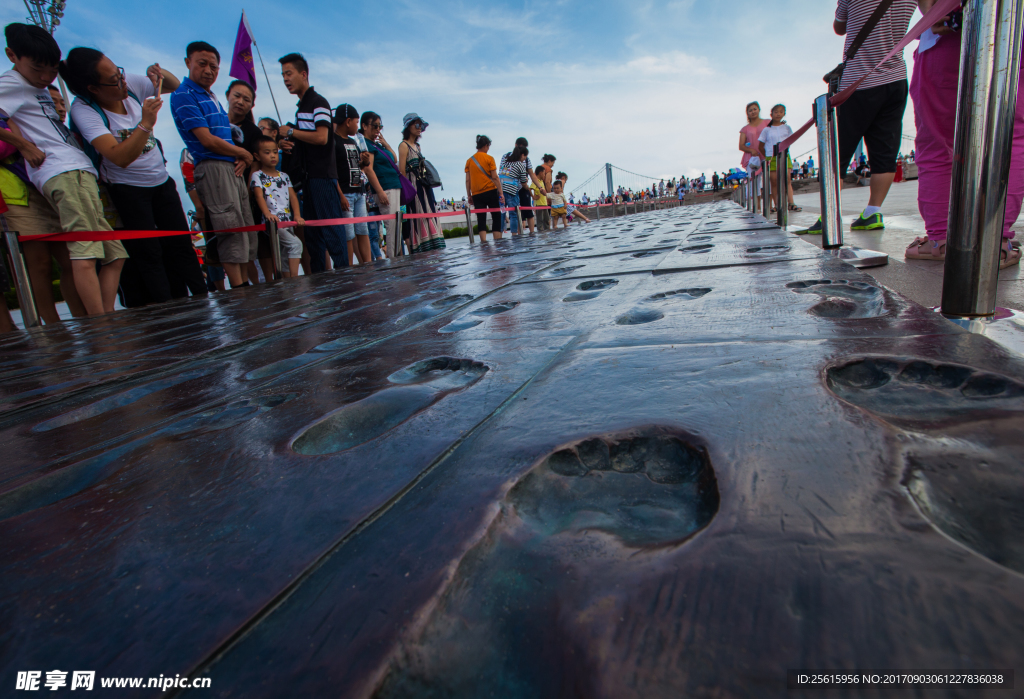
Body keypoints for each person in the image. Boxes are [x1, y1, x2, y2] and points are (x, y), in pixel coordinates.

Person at [62, 48, 206, 308]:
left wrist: (159, 73)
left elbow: (172, 85)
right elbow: (119, 157)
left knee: (181, 246)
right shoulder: (85, 110)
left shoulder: (130, 86)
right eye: (114, 80)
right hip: (128, 190)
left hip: (161, 182)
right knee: (149, 253)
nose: (122, 82)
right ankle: (168, 312)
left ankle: (201, 301)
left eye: (120, 72)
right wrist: (145, 123)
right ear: (93, 88)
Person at [0, 23, 127, 316]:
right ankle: (101, 325)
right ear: (12, 56)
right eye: (37, 69)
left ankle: (104, 315)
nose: (45, 77)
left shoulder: (36, 87)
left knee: (114, 253)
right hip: (62, 172)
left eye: (52, 70)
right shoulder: (12, 82)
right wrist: (23, 145)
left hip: (78, 172)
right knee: (84, 253)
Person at [905, 0, 1021, 267]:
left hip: (951, 27)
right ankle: (997, 241)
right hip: (1014, 28)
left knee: (936, 140)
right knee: (1011, 135)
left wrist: (932, 8)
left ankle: (942, 239)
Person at [803, 0, 917, 235]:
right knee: (884, 149)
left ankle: (829, 216)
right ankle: (872, 212)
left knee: (838, 154)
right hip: (895, 78)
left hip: (858, 81)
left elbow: (839, 27)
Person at [170, 40, 255, 289]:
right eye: (202, 64)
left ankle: (245, 283)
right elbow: (207, 140)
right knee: (229, 228)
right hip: (213, 167)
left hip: (231, 167)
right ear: (188, 63)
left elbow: (224, 136)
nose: (209, 70)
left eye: (214, 67)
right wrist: (243, 153)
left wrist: (239, 156)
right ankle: (239, 289)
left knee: (243, 227)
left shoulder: (210, 96)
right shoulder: (184, 95)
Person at [0, 108, 85, 323]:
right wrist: (22, 140)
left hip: (48, 186)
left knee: (71, 260)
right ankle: (52, 331)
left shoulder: (15, 106)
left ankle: (85, 322)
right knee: (40, 265)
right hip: (17, 195)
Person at [276, 53, 347, 272]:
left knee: (332, 233)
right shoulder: (302, 108)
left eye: (289, 73)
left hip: (322, 177)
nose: (286, 79)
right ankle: (321, 285)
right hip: (307, 179)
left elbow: (322, 137)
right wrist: (289, 143)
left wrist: (290, 131)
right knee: (313, 236)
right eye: (283, 75)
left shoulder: (318, 102)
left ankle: (346, 280)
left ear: (303, 74)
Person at [250, 135, 304, 277]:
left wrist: (297, 215)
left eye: (275, 152)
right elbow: (258, 196)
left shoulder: (284, 176)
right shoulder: (257, 176)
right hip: (274, 222)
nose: (272, 156)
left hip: (288, 220)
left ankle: (287, 285)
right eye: (267, 153)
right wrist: (267, 214)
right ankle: (294, 279)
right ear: (257, 156)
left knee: (285, 253)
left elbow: (293, 196)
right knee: (295, 244)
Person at [397, 113, 445, 253]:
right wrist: (408, 191)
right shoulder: (403, 146)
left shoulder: (417, 146)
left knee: (429, 212)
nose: (419, 128)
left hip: (424, 187)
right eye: (416, 125)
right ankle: (422, 247)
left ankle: (434, 245)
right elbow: (402, 171)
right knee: (419, 215)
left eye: (420, 125)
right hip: (414, 188)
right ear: (408, 126)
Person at [331, 103, 373, 265]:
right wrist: (340, 195)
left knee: (363, 230)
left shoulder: (353, 142)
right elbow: (332, 171)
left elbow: (359, 166)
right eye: (356, 122)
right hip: (345, 193)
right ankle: (348, 266)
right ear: (348, 121)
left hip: (359, 192)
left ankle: (368, 264)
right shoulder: (333, 143)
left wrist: (365, 162)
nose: (357, 126)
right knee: (348, 233)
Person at [360, 111, 402, 256]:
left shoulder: (377, 145)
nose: (378, 129)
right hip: (386, 187)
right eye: (375, 126)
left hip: (393, 185)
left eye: (380, 126)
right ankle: (393, 258)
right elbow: (368, 169)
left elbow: (394, 158)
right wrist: (379, 191)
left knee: (396, 225)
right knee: (391, 226)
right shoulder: (367, 145)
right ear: (364, 126)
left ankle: (396, 256)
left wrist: (386, 144)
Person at [758, 104, 801, 213]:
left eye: (781, 112)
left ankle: (791, 203)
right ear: (771, 114)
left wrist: (785, 150)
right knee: (774, 182)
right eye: (776, 112)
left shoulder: (787, 127)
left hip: (784, 156)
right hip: (771, 157)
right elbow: (760, 145)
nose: (778, 114)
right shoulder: (766, 130)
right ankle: (777, 205)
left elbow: (791, 140)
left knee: (787, 179)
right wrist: (767, 156)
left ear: (784, 114)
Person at [465, 134, 503, 242]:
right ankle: (497, 241)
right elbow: (495, 177)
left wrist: (469, 194)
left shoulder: (469, 161)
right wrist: (500, 193)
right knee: (496, 216)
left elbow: (467, 180)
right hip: (490, 191)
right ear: (486, 145)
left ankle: (483, 243)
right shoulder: (489, 158)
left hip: (476, 193)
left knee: (481, 218)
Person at [498, 145, 528, 237]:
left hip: (500, 192)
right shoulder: (520, 165)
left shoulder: (505, 163)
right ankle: (514, 235)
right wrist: (528, 187)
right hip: (512, 192)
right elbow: (523, 182)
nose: (525, 159)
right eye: (525, 156)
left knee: (502, 213)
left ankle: (499, 235)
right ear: (522, 155)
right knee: (513, 214)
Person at [530, 165, 549, 232]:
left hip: (545, 204)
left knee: (547, 220)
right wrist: (533, 197)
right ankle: (540, 235)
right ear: (540, 173)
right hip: (539, 204)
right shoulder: (536, 181)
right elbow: (529, 189)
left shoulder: (541, 181)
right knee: (540, 221)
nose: (544, 175)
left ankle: (547, 234)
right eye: (544, 173)